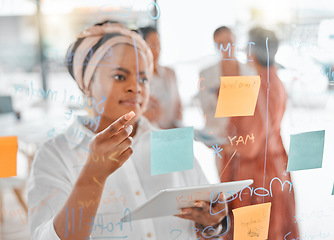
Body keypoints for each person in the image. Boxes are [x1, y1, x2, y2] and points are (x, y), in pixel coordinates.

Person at [27, 22, 228, 240]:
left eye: (143, 78)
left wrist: (212, 224)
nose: (136, 87)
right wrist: (92, 176)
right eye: (120, 76)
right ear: (87, 85)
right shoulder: (56, 155)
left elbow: (200, 225)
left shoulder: (169, 143)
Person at [219, 27, 300, 240]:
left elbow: (248, 145)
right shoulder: (276, 81)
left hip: (255, 175)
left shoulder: (254, 85)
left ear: (250, 52)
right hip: (277, 168)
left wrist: (219, 144)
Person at [196, 26, 256, 144]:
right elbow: (205, 111)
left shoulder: (251, 72)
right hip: (220, 137)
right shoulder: (206, 74)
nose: (226, 47)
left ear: (235, 42)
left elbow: (255, 110)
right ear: (216, 46)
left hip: (246, 138)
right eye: (221, 44)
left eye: (229, 41)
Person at [138, 26, 182, 129]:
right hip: (152, 133)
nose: (157, 50)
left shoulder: (170, 73)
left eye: (158, 45)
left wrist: (178, 127)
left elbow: (178, 106)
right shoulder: (138, 79)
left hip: (174, 130)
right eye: (152, 45)